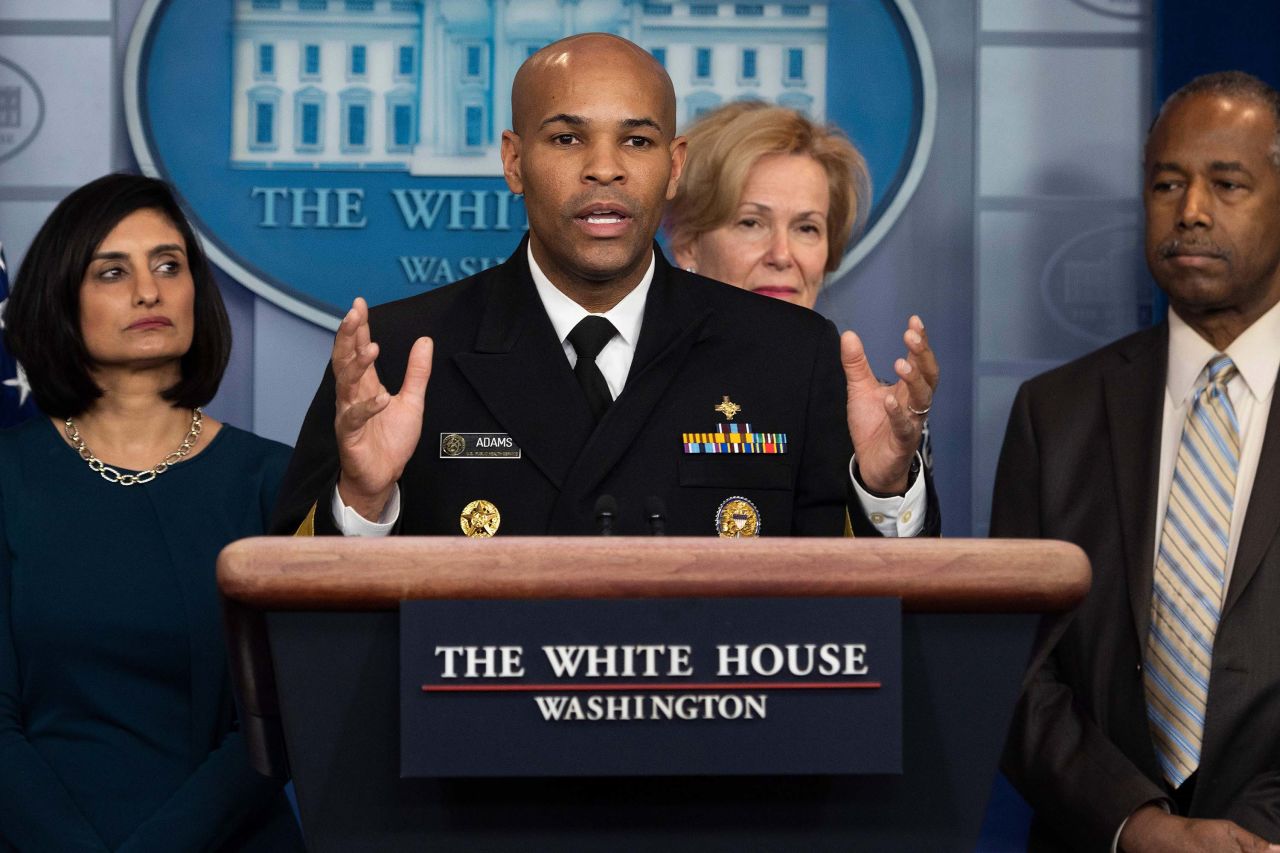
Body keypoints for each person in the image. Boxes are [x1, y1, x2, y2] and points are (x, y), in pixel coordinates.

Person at [273, 33, 885, 538]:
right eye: (568, 138)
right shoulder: (400, 350)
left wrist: (887, 493)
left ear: (674, 168)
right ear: (514, 161)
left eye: (636, 141)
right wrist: (362, 500)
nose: (604, 167)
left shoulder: (790, 354)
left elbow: (863, 620)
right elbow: (296, 611)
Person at [994, 72, 1280, 852]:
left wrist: (1252, 835)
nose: (1190, 211)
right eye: (1166, 183)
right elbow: (1017, 669)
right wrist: (1137, 825)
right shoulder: (1054, 413)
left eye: (1228, 184)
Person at [0, 174, 304, 851]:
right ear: (61, 298)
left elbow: (278, 718)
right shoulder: (8, 477)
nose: (149, 291)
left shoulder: (274, 480)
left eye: (169, 264)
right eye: (113, 271)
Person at [665, 100, 939, 534]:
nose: (782, 256)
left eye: (807, 228)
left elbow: (900, 594)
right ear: (688, 244)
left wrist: (885, 486)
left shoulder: (876, 412)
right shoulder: (635, 378)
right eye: (752, 223)